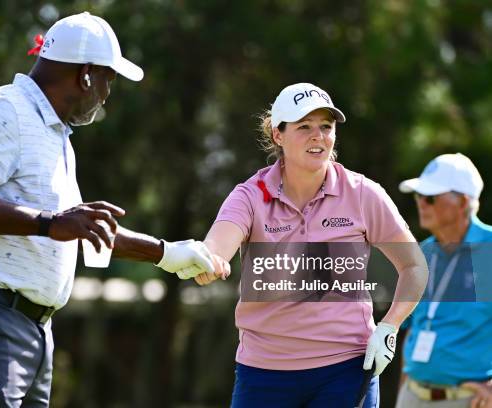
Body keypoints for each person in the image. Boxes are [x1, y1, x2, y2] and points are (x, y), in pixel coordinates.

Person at [0, 12, 219, 407]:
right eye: (109, 79)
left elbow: (79, 228)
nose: (109, 93)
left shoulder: (55, 134)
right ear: (87, 75)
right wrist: (50, 223)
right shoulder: (1, 110)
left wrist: (166, 253)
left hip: (31, 329)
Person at [178, 83, 428, 407]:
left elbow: (415, 266)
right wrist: (209, 261)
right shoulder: (250, 195)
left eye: (326, 127)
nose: (318, 136)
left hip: (347, 370)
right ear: (277, 134)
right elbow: (218, 244)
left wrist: (390, 326)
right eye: (304, 127)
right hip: (263, 373)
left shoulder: (363, 194)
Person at [396, 153, 492, 408]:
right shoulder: (422, 254)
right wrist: (403, 393)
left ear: (463, 201)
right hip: (412, 394)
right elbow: (411, 330)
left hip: (466, 401)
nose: (421, 204)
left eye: (430, 197)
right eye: (418, 196)